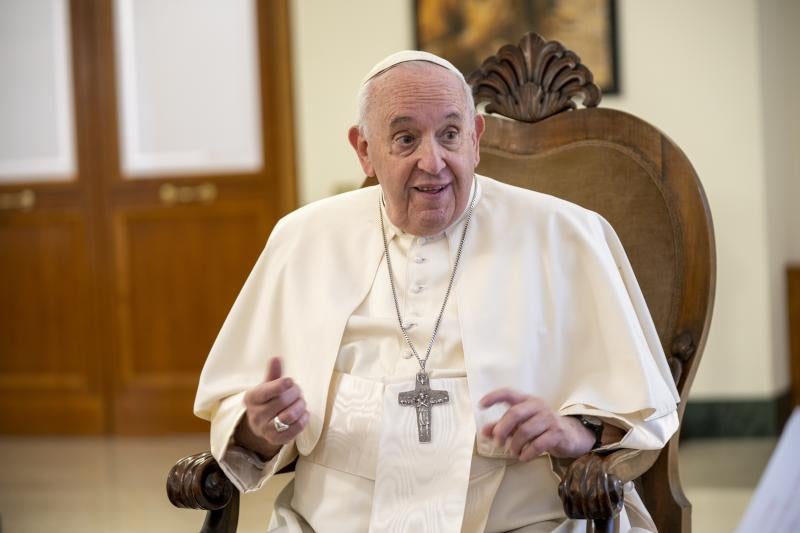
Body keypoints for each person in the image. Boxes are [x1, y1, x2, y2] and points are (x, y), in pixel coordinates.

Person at [194, 50, 680, 532]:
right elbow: (243, 416)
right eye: (406, 139)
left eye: (450, 134)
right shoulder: (303, 239)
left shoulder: (566, 233)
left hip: (519, 521)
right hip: (330, 522)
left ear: (475, 138)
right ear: (364, 149)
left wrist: (574, 433)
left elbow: (636, 409)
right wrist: (260, 429)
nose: (434, 162)